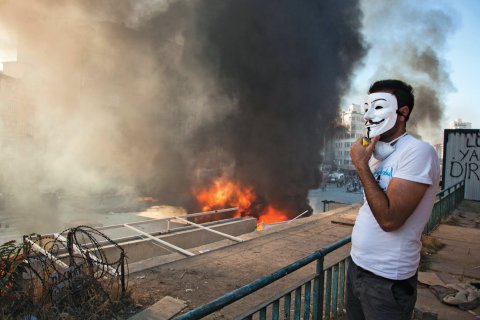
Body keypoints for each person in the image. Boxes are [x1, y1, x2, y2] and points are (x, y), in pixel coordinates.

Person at [346, 79, 441, 320]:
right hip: (358, 267)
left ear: (403, 113)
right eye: (367, 107)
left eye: (377, 107)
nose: (368, 114)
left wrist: (360, 165)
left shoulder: (418, 153)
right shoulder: (377, 155)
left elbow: (389, 220)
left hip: (387, 280)